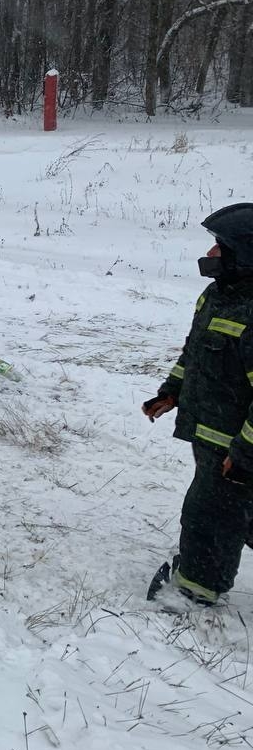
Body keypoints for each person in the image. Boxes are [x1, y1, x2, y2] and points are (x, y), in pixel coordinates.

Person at [145, 203, 253, 605]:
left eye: (219, 247)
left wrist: (244, 455)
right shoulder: (218, 295)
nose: (210, 255)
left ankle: (195, 592)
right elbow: (195, 352)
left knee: (209, 515)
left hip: (236, 448)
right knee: (235, 513)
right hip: (213, 437)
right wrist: (170, 391)